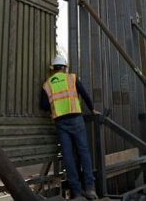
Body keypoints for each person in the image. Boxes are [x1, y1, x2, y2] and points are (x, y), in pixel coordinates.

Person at [40, 55, 98, 200]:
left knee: (68, 157)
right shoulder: (71, 78)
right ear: (65, 67)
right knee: (83, 152)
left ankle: (77, 192)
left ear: (53, 69)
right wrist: (92, 109)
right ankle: (90, 189)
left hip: (61, 122)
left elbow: (43, 105)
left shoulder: (47, 84)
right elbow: (85, 95)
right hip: (76, 119)